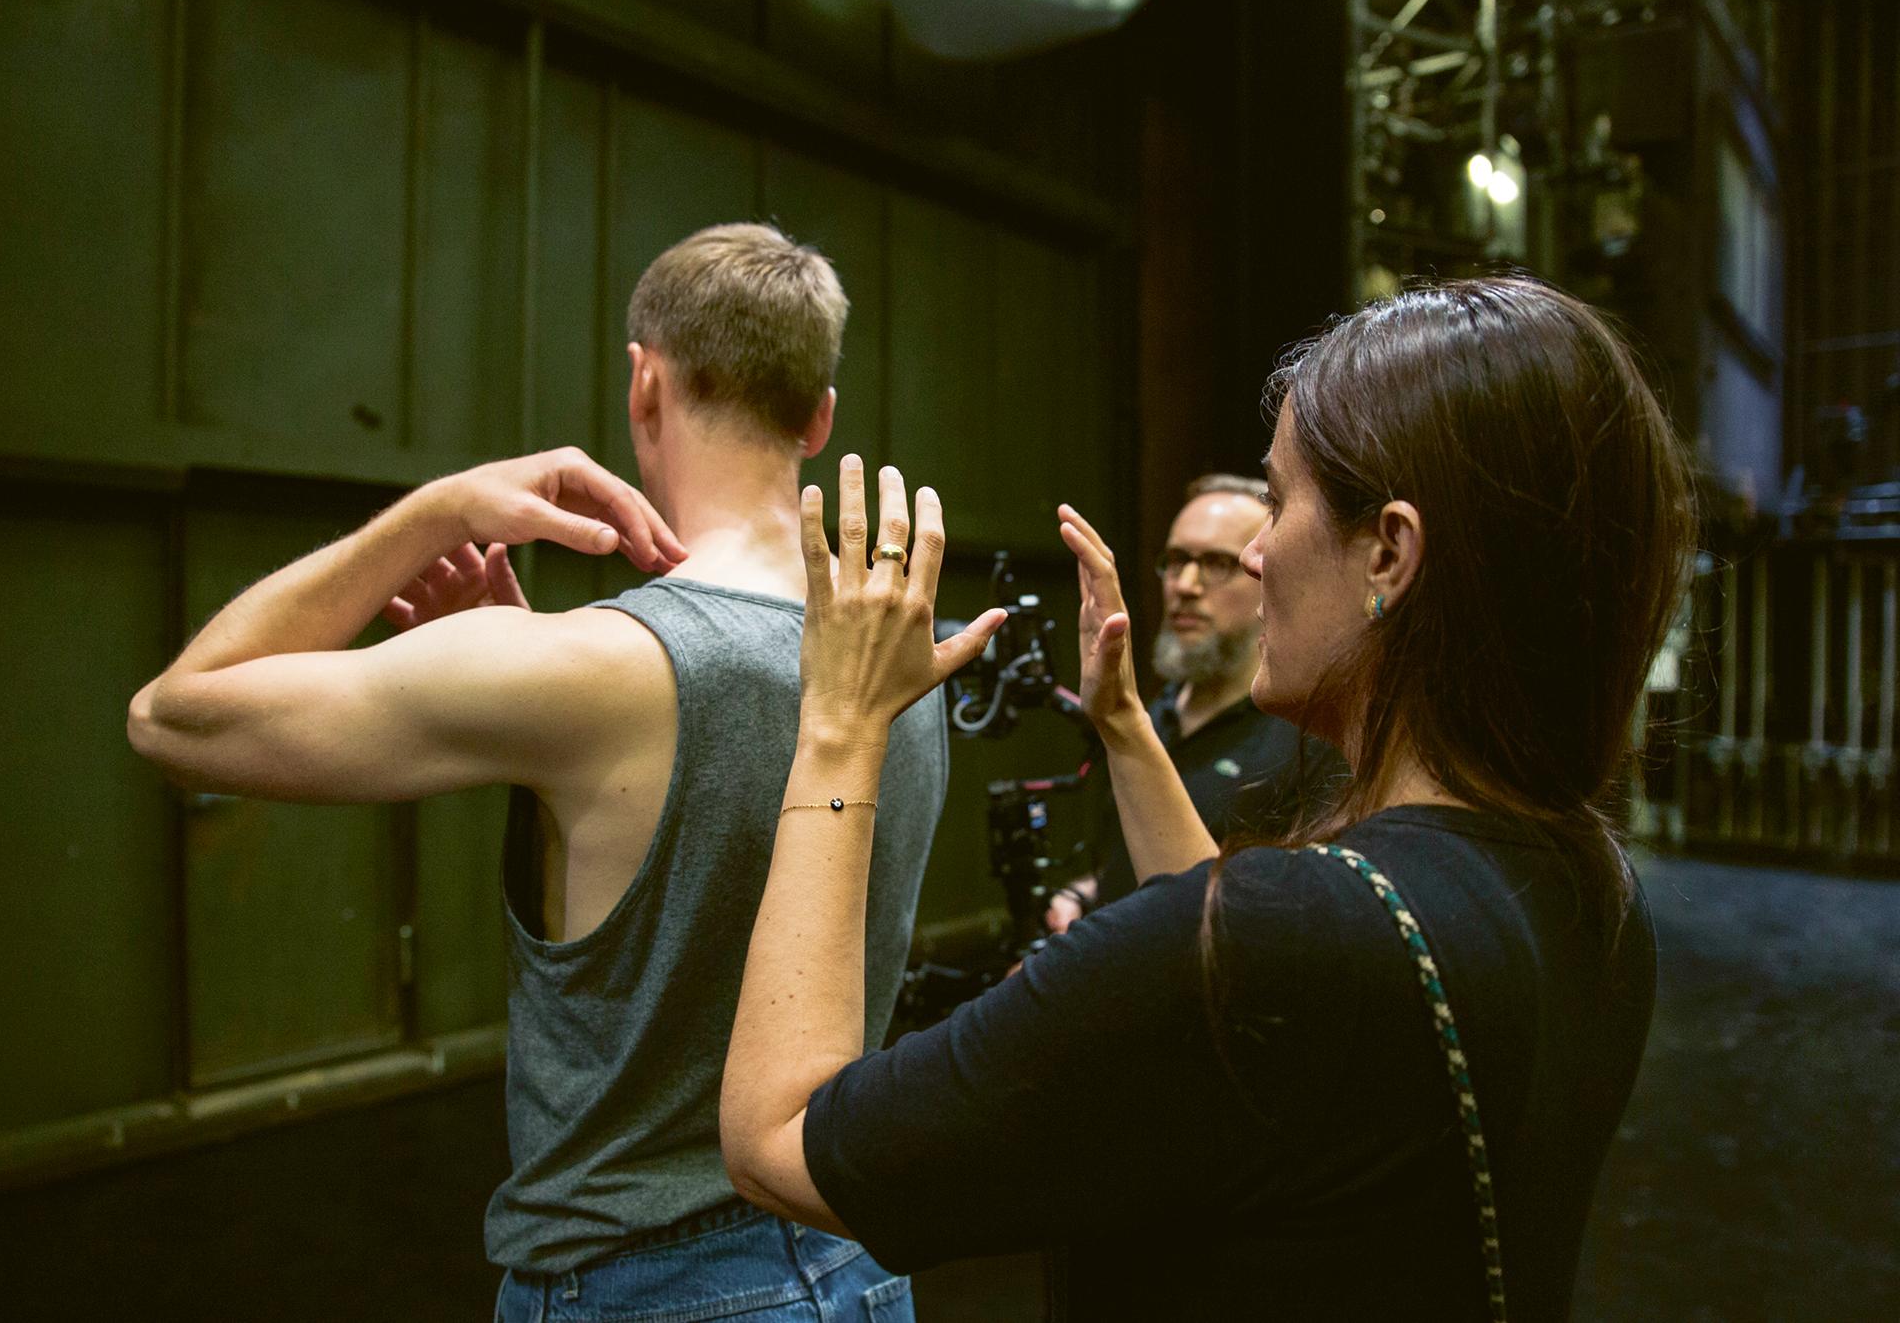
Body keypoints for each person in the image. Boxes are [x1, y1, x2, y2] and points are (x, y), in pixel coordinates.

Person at [717, 277, 1695, 1320]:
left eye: (1278, 504)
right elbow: (1256, 1047)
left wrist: (839, 722)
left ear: (1388, 553)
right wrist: (1128, 723)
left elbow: (778, 1138)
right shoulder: (1588, 895)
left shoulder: (1287, 943)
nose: (1257, 554)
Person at [127, 224, 945, 1320]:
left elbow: (173, 716)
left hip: (652, 1288)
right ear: (818, 415)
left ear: (641, 383)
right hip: (850, 1257)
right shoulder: (897, 649)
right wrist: (527, 700)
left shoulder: (589, 668)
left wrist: (441, 509)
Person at [1053, 473, 1346, 929]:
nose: (1186, 584)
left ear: (1264, 569)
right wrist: (1086, 894)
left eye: (1216, 563)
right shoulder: (1155, 711)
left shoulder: (1310, 736)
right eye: (1177, 560)